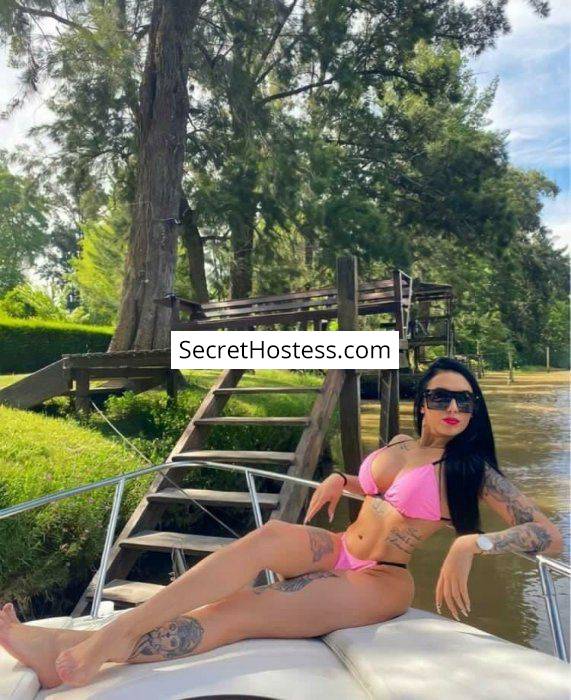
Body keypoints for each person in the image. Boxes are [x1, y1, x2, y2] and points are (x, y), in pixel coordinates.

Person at [0, 357, 563, 689]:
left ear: (474, 410)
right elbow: (379, 490)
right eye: (441, 397)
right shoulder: (399, 443)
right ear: (422, 402)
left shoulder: (472, 471)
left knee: (240, 610)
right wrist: (343, 480)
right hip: (340, 545)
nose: (453, 409)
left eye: (465, 402)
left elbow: (548, 533)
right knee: (265, 537)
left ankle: (79, 649)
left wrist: (473, 544)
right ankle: (116, 632)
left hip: (379, 578)